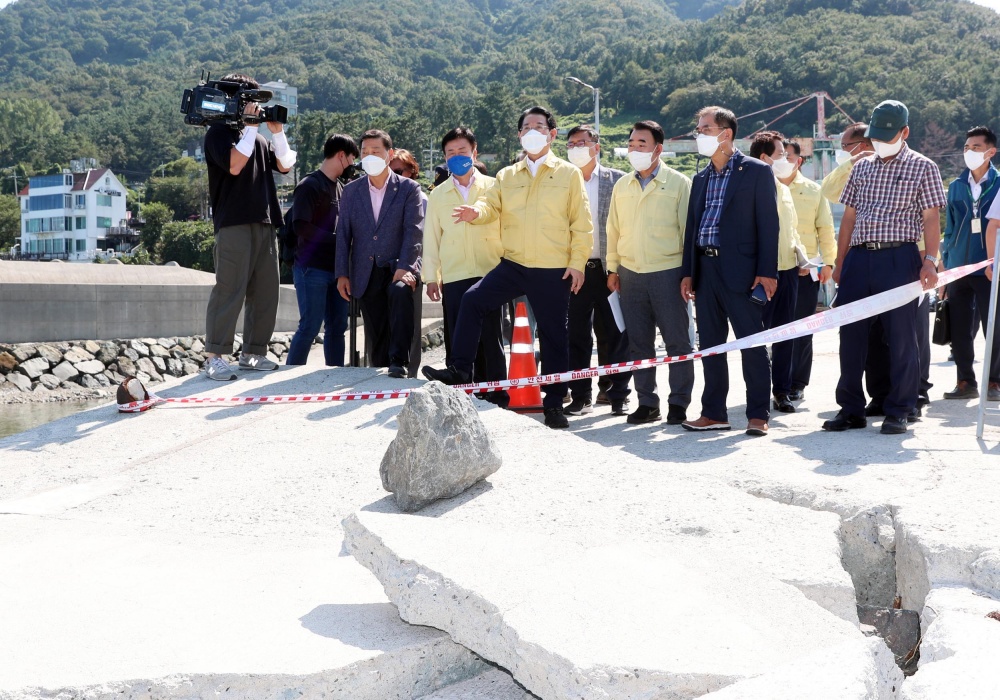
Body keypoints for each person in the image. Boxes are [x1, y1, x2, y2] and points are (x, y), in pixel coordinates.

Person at [422, 106, 593, 429]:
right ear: (519, 135)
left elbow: (581, 224)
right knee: (473, 300)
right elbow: (491, 204)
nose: (532, 131)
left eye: (538, 126)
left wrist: (577, 263)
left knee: (555, 336)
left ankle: (554, 403)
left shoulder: (568, 174)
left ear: (551, 134)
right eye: (526, 126)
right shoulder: (507, 175)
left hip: (552, 267)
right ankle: (459, 369)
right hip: (513, 263)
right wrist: (477, 211)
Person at [822, 100, 946, 435]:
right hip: (860, 259)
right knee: (851, 336)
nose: (879, 141)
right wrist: (841, 261)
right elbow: (848, 218)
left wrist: (931, 261)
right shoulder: (861, 167)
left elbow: (931, 219)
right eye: (875, 135)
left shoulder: (924, 167)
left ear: (904, 132)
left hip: (900, 258)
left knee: (902, 336)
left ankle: (900, 409)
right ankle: (850, 409)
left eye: (887, 135)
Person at [680, 106, 779, 436]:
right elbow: (692, 227)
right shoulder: (701, 178)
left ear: (726, 133)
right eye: (698, 128)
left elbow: (769, 226)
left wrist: (767, 273)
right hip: (706, 270)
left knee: (751, 343)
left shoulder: (755, 172)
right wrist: (688, 272)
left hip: (743, 271)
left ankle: (758, 414)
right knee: (710, 345)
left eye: (705, 128)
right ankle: (713, 412)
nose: (699, 134)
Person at [202, 73, 296, 381]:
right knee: (230, 288)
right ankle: (215, 355)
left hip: (265, 220)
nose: (253, 107)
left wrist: (277, 133)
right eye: (249, 101)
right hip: (233, 223)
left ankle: (254, 352)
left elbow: (285, 165)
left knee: (266, 291)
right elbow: (234, 164)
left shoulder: (256, 138)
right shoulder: (217, 133)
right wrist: (251, 129)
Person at [606, 120, 693, 424]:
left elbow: (687, 232)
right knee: (638, 343)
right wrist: (612, 268)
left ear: (659, 148)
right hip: (630, 274)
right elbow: (613, 229)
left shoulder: (679, 183)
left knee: (677, 341)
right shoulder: (622, 185)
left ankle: (679, 402)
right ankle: (647, 402)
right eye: (631, 143)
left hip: (668, 272)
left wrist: (688, 273)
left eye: (641, 144)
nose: (634, 149)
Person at [422, 127, 507, 405]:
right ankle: (459, 393)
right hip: (455, 272)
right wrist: (431, 277)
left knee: (490, 334)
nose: (456, 157)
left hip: (490, 271)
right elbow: (432, 238)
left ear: (474, 151)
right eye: (450, 153)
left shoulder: (495, 186)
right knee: (457, 332)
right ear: (444, 157)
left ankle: (495, 390)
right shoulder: (438, 194)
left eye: (462, 151)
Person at [335, 129, 423, 378]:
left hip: (398, 266)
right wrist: (342, 273)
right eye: (365, 152)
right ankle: (380, 370)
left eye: (376, 151)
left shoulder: (408, 189)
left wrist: (405, 268)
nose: (370, 156)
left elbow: (413, 231)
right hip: (365, 269)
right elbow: (343, 234)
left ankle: (399, 362)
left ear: (389, 154)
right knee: (376, 330)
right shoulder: (351, 191)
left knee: (399, 297)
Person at [563, 124, 632, 418]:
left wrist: (616, 267)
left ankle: (618, 394)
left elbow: (623, 226)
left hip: (609, 269)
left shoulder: (617, 181)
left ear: (596, 146)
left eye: (583, 142)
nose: (578, 148)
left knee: (615, 333)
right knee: (576, 335)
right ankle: (580, 396)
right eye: (572, 144)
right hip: (575, 270)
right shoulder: (562, 181)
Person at [285, 134, 359, 366]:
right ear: (341, 155)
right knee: (310, 325)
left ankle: (333, 373)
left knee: (337, 326)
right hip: (311, 269)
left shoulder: (340, 187)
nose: (352, 166)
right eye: (351, 159)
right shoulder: (309, 185)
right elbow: (301, 227)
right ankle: (288, 377)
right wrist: (338, 241)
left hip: (336, 269)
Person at [748, 131, 802, 414]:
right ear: (764, 157)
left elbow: (790, 230)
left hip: (788, 271)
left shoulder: (783, 187)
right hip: (759, 275)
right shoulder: (750, 187)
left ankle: (782, 391)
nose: (786, 159)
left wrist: (801, 256)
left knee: (785, 335)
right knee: (756, 337)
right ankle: (756, 392)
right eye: (781, 154)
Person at [946, 126, 1000, 401]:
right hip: (958, 266)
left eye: (976, 148)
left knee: (994, 324)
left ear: (991, 151)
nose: (969, 152)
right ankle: (965, 380)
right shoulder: (955, 186)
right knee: (960, 326)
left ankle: (994, 381)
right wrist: (945, 264)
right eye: (966, 147)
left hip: (990, 267)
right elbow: (949, 228)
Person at [781, 139, 836, 403]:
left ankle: (797, 382)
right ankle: (777, 379)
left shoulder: (814, 191)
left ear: (798, 160)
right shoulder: (765, 186)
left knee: (802, 329)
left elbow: (826, 230)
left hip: (805, 271)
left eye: (786, 156)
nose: (781, 161)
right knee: (773, 329)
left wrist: (828, 264)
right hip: (774, 270)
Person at [388, 148, 427, 378]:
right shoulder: (384, 196)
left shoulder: (421, 199)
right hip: (388, 266)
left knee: (411, 322)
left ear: (412, 171)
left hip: (414, 267)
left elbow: (423, 239)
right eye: (390, 171)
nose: (395, 175)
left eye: (399, 170)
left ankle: (410, 372)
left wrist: (416, 269)